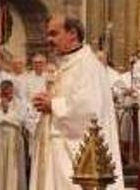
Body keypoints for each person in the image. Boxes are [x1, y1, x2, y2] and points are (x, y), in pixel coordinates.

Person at [29, 15, 123, 190]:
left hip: (76, 157)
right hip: (56, 151)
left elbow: (89, 111)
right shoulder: (66, 65)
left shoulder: (88, 66)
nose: (49, 39)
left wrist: (53, 105)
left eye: (54, 34)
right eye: (48, 34)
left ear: (72, 33)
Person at [0, 79, 28, 190]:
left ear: (12, 90)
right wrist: (6, 116)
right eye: (4, 92)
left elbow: (21, 120)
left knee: (13, 169)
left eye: (8, 91)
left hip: (13, 139)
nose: (6, 94)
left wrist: (5, 112)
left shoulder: (20, 104)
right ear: (1, 91)